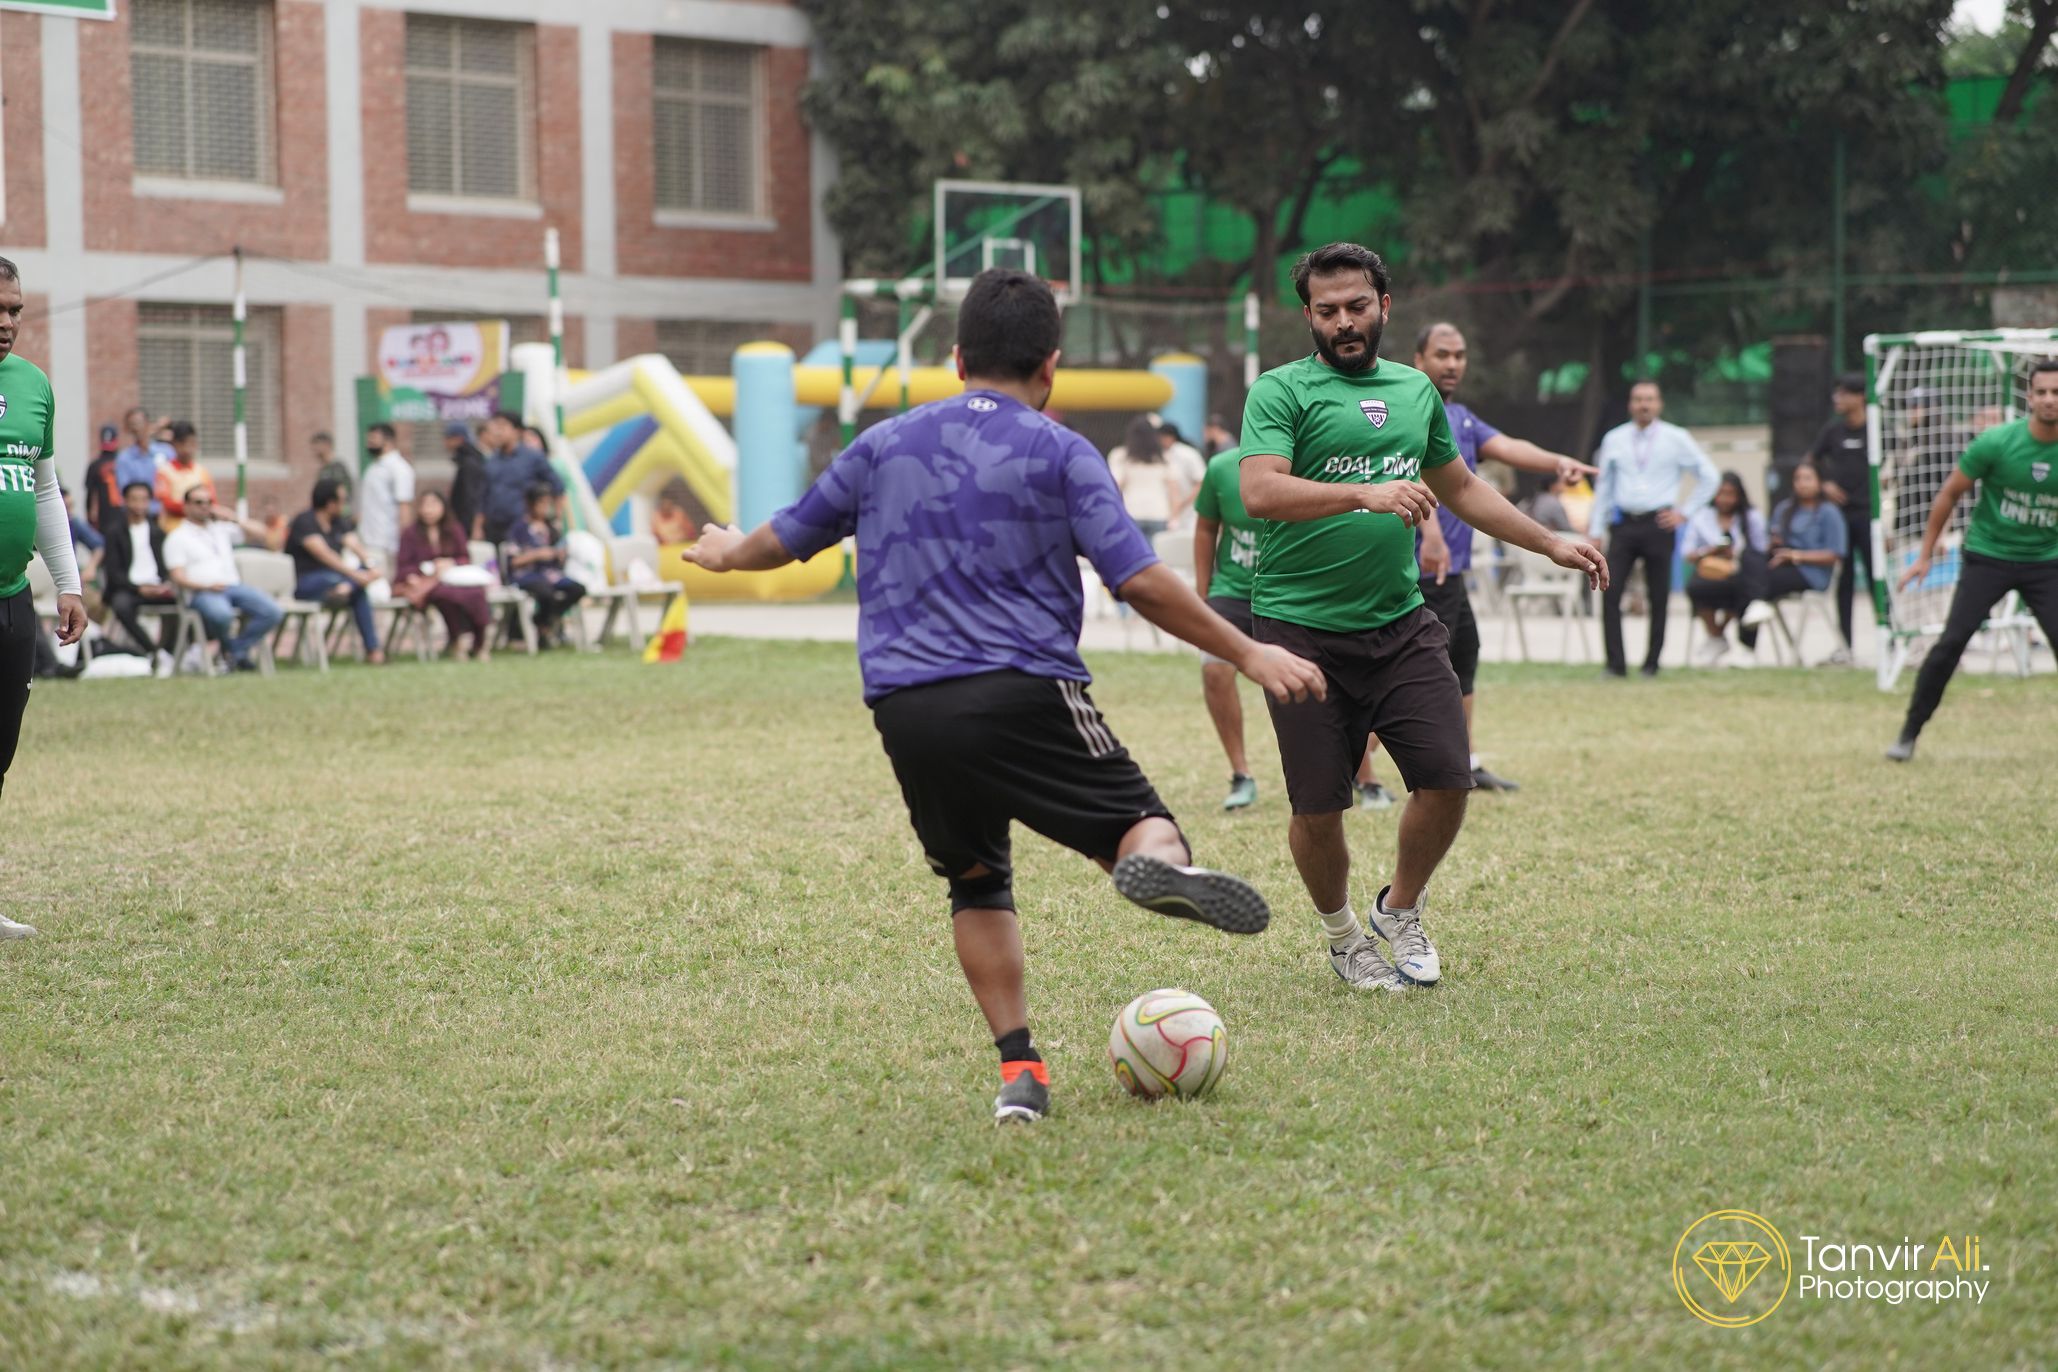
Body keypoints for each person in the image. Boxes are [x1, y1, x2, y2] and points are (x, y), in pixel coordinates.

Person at [684, 267, 1324, 1124]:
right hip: (1022, 690)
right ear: (1050, 366)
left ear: (955, 358)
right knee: (1143, 820)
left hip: (907, 707)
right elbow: (1138, 579)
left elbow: (785, 537)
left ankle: (1021, 1075)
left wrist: (726, 551)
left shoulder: (881, 444)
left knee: (976, 879)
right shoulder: (1060, 450)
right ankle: (1157, 866)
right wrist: (1249, 650)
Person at [1239, 242, 1606, 994]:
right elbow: (1261, 493)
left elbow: (1463, 487)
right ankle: (1345, 939)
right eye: (1328, 310)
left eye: (1358, 307)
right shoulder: (1280, 391)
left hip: (1399, 621)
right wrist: (1365, 493)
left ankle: (1398, 911)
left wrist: (1549, 543)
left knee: (1446, 777)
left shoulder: (1414, 393)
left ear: (1384, 307)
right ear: (1307, 314)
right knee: (1319, 806)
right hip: (1299, 629)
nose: (1344, 322)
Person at [1411, 321, 1598, 790]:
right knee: (1413, 672)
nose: (1452, 364)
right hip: (1420, 570)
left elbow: (1508, 447)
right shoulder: (1408, 405)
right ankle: (1362, 772)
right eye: (1442, 355)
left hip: (1452, 571)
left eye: (1459, 355)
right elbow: (1405, 469)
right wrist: (1429, 531)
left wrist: (1557, 463)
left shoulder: (1463, 418)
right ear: (1420, 360)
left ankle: (1465, 763)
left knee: (1464, 656)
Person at [1886, 359, 2058, 761]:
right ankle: (1908, 734)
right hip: (1989, 557)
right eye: (2043, 392)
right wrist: (1925, 556)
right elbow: (1949, 494)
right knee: (1950, 645)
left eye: (2057, 392)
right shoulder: (1996, 443)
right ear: (2029, 398)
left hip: (2046, 563)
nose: (2050, 400)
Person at [0, 257, 86, 938]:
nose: (7, 323)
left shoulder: (33, 386)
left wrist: (70, 583)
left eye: (15, 311)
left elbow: (46, 490)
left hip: (11, 600)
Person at [1590, 379, 1719, 677]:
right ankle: (1615, 664)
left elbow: (1709, 476)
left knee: (1658, 594)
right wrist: (1596, 528)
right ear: (1630, 404)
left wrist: (1684, 513)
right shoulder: (1615, 438)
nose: (1643, 405)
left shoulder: (1676, 438)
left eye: (1649, 399)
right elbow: (1604, 486)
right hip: (1623, 523)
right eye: (1637, 399)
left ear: (1659, 404)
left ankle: (1652, 663)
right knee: (1611, 592)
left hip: (1659, 523)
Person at [1192, 439, 1265, 809]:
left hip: (1289, 592)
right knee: (1215, 669)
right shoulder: (1221, 468)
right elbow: (1206, 529)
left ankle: (1359, 775)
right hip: (1231, 591)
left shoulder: (1311, 463)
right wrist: (1203, 595)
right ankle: (1241, 774)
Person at [163, 488, 283, 673]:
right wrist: (207, 586)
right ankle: (234, 654)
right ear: (186, 507)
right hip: (202, 592)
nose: (205, 507)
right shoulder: (177, 537)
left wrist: (234, 518)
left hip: (232, 587)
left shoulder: (221, 530)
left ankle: (234, 651)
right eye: (198, 502)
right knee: (222, 615)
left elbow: (265, 536)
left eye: (208, 502)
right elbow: (177, 577)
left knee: (272, 611)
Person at [1809, 373, 1872, 664]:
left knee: (1877, 579)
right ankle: (1845, 646)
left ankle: (1890, 638)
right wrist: (1824, 484)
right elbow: (1810, 461)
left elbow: (1900, 459)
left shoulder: (1876, 429)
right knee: (1843, 582)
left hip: (1870, 517)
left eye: (1843, 393)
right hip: (1841, 519)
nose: (1838, 399)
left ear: (1859, 397)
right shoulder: (1832, 432)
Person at [288, 476, 384, 664]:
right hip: (307, 582)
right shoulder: (304, 521)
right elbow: (325, 556)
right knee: (351, 585)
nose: (344, 505)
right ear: (330, 503)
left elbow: (355, 545)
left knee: (357, 590)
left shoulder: (339, 522)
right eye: (342, 500)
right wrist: (356, 576)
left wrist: (370, 566)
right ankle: (374, 651)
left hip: (339, 581)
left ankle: (373, 651)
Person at [1681, 471, 1772, 664]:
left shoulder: (1751, 517)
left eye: (1730, 494)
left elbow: (1761, 550)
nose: (1725, 499)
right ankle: (1716, 635)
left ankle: (1744, 648)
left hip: (1740, 575)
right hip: (1711, 574)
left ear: (1739, 496)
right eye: (1721, 493)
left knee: (1744, 590)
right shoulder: (1702, 516)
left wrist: (1736, 554)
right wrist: (1712, 551)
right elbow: (1687, 553)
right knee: (1695, 587)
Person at [394, 488, 491, 660]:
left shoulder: (454, 529)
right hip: (429, 582)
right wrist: (414, 574)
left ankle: (480, 643)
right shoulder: (410, 533)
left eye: (433, 505)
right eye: (425, 505)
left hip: (455, 579)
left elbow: (464, 557)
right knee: (446, 596)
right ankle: (456, 640)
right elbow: (403, 565)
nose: (429, 510)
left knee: (476, 594)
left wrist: (450, 563)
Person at [101, 480, 177, 670]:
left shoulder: (158, 532)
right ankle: (152, 651)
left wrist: (164, 584)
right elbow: (113, 572)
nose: (139, 505)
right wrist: (139, 588)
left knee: (183, 605)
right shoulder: (115, 532)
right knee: (121, 605)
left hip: (157, 586)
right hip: (129, 588)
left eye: (143, 500)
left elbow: (166, 565)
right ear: (125, 501)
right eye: (134, 499)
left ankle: (172, 651)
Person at [1762, 461, 1848, 621]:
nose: (1802, 484)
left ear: (1820, 482)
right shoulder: (1784, 509)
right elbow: (1770, 539)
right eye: (1798, 479)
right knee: (1750, 568)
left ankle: (1756, 607)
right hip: (1781, 565)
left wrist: (1795, 556)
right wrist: (1774, 545)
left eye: (1808, 478)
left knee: (1762, 579)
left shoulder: (1829, 513)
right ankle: (1751, 615)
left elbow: (1835, 554)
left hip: (1811, 574)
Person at [505, 482, 585, 644]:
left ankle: (543, 620)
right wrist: (536, 555)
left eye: (548, 503)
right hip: (527, 575)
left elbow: (560, 554)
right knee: (545, 591)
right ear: (530, 503)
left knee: (577, 589)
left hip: (551, 575)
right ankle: (544, 625)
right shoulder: (519, 528)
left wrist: (560, 554)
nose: (545, 508)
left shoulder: (552, 527)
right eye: (542, 503)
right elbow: (512, 561)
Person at [475, 410, 562, 544]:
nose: (498, 432)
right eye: (495, 427)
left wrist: (556, 519)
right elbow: (483, 496)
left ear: (517, 431)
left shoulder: (533, 457)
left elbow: (558, 487)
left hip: (523, 528)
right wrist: (478, 527)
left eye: (502, 427)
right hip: (494, 528)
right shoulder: (491, 461)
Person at [357, 422, 416, 574]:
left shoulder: (399, 468)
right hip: (369, 538)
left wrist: (405, 541)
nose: (369, 443)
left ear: (388, 440)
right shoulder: (373, 467)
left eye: (374, 439)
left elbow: (404, 506)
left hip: (388, 541)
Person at [1107, 415, 1179, 539]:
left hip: (1131, 511)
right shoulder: (1165, 458)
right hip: (1159, 513)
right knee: (1156, 555)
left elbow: (1116, 486)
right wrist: (1174, 517)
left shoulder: (1120, 456)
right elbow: (1174, 492)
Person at [152, 420, 217, 531]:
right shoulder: (164, 472)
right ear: (174, 444)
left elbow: (212, 500)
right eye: (183, 444)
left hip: (199, 530)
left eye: (192, 444)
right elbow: (167, 503)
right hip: (172, 529)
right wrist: (195, 508)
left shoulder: (201, 471)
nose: (188, 449)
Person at [113, 406, 172, 514]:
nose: (137, 428)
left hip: (167, 513)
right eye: (132, 424)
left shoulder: (166, 452)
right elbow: (124, 491)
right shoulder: (124, 459)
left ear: (148, 424)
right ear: (128, 429)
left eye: (139, 422)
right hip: (140, 514)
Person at [444, 421, 489, 538]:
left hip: (467, 524)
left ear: (458, 439)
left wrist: (473, 526)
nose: (445, 442)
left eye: (448, 438)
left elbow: (471, 498)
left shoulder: (469, 463)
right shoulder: (465, 460)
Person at [85, 423, 121, 530]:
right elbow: (90, 494)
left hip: (110, 514)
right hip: (108, 515)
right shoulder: (123, 462)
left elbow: (89, 495)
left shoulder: (123, 462)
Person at [312, 431, 354, 506]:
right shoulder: (323, 470)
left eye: (317, 445)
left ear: (327, 445)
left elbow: (344, 491)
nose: (314, 449)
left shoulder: (337, 467)